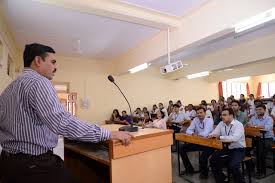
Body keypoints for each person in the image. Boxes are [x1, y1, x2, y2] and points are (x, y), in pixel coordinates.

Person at [0, 43, 132, 183]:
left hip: (8, 162)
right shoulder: (39, 82)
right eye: (53, 62)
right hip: (33, 165)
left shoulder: (9, 89)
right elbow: (62, 122)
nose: (56, 67)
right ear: (38, 61)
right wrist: (109, 133)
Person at [208, 108, 246, 183]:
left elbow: (234, 138)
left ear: (231, 116)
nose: (222, 117)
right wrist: (211, 135)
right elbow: (215, 132)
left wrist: (220, 137)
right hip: (226, 149)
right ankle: (221, 179)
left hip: (238, 149)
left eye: (224, 115)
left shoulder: (238, 125)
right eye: (221, 115)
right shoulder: (221, 123)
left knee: (233, 166)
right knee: (213, 160)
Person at [180, 107, 214, 178]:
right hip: (199, 142)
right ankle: (189, 169)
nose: (199, 114)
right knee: (182, 148)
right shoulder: (195, 119)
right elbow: (188, 130)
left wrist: (196, 134)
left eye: (201, 112)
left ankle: (204, 174)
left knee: (202, 158)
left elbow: (206, 133)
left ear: (205, 113)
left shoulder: (209, 120)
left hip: (210, 144)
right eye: (198, 113)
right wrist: (193, 134)